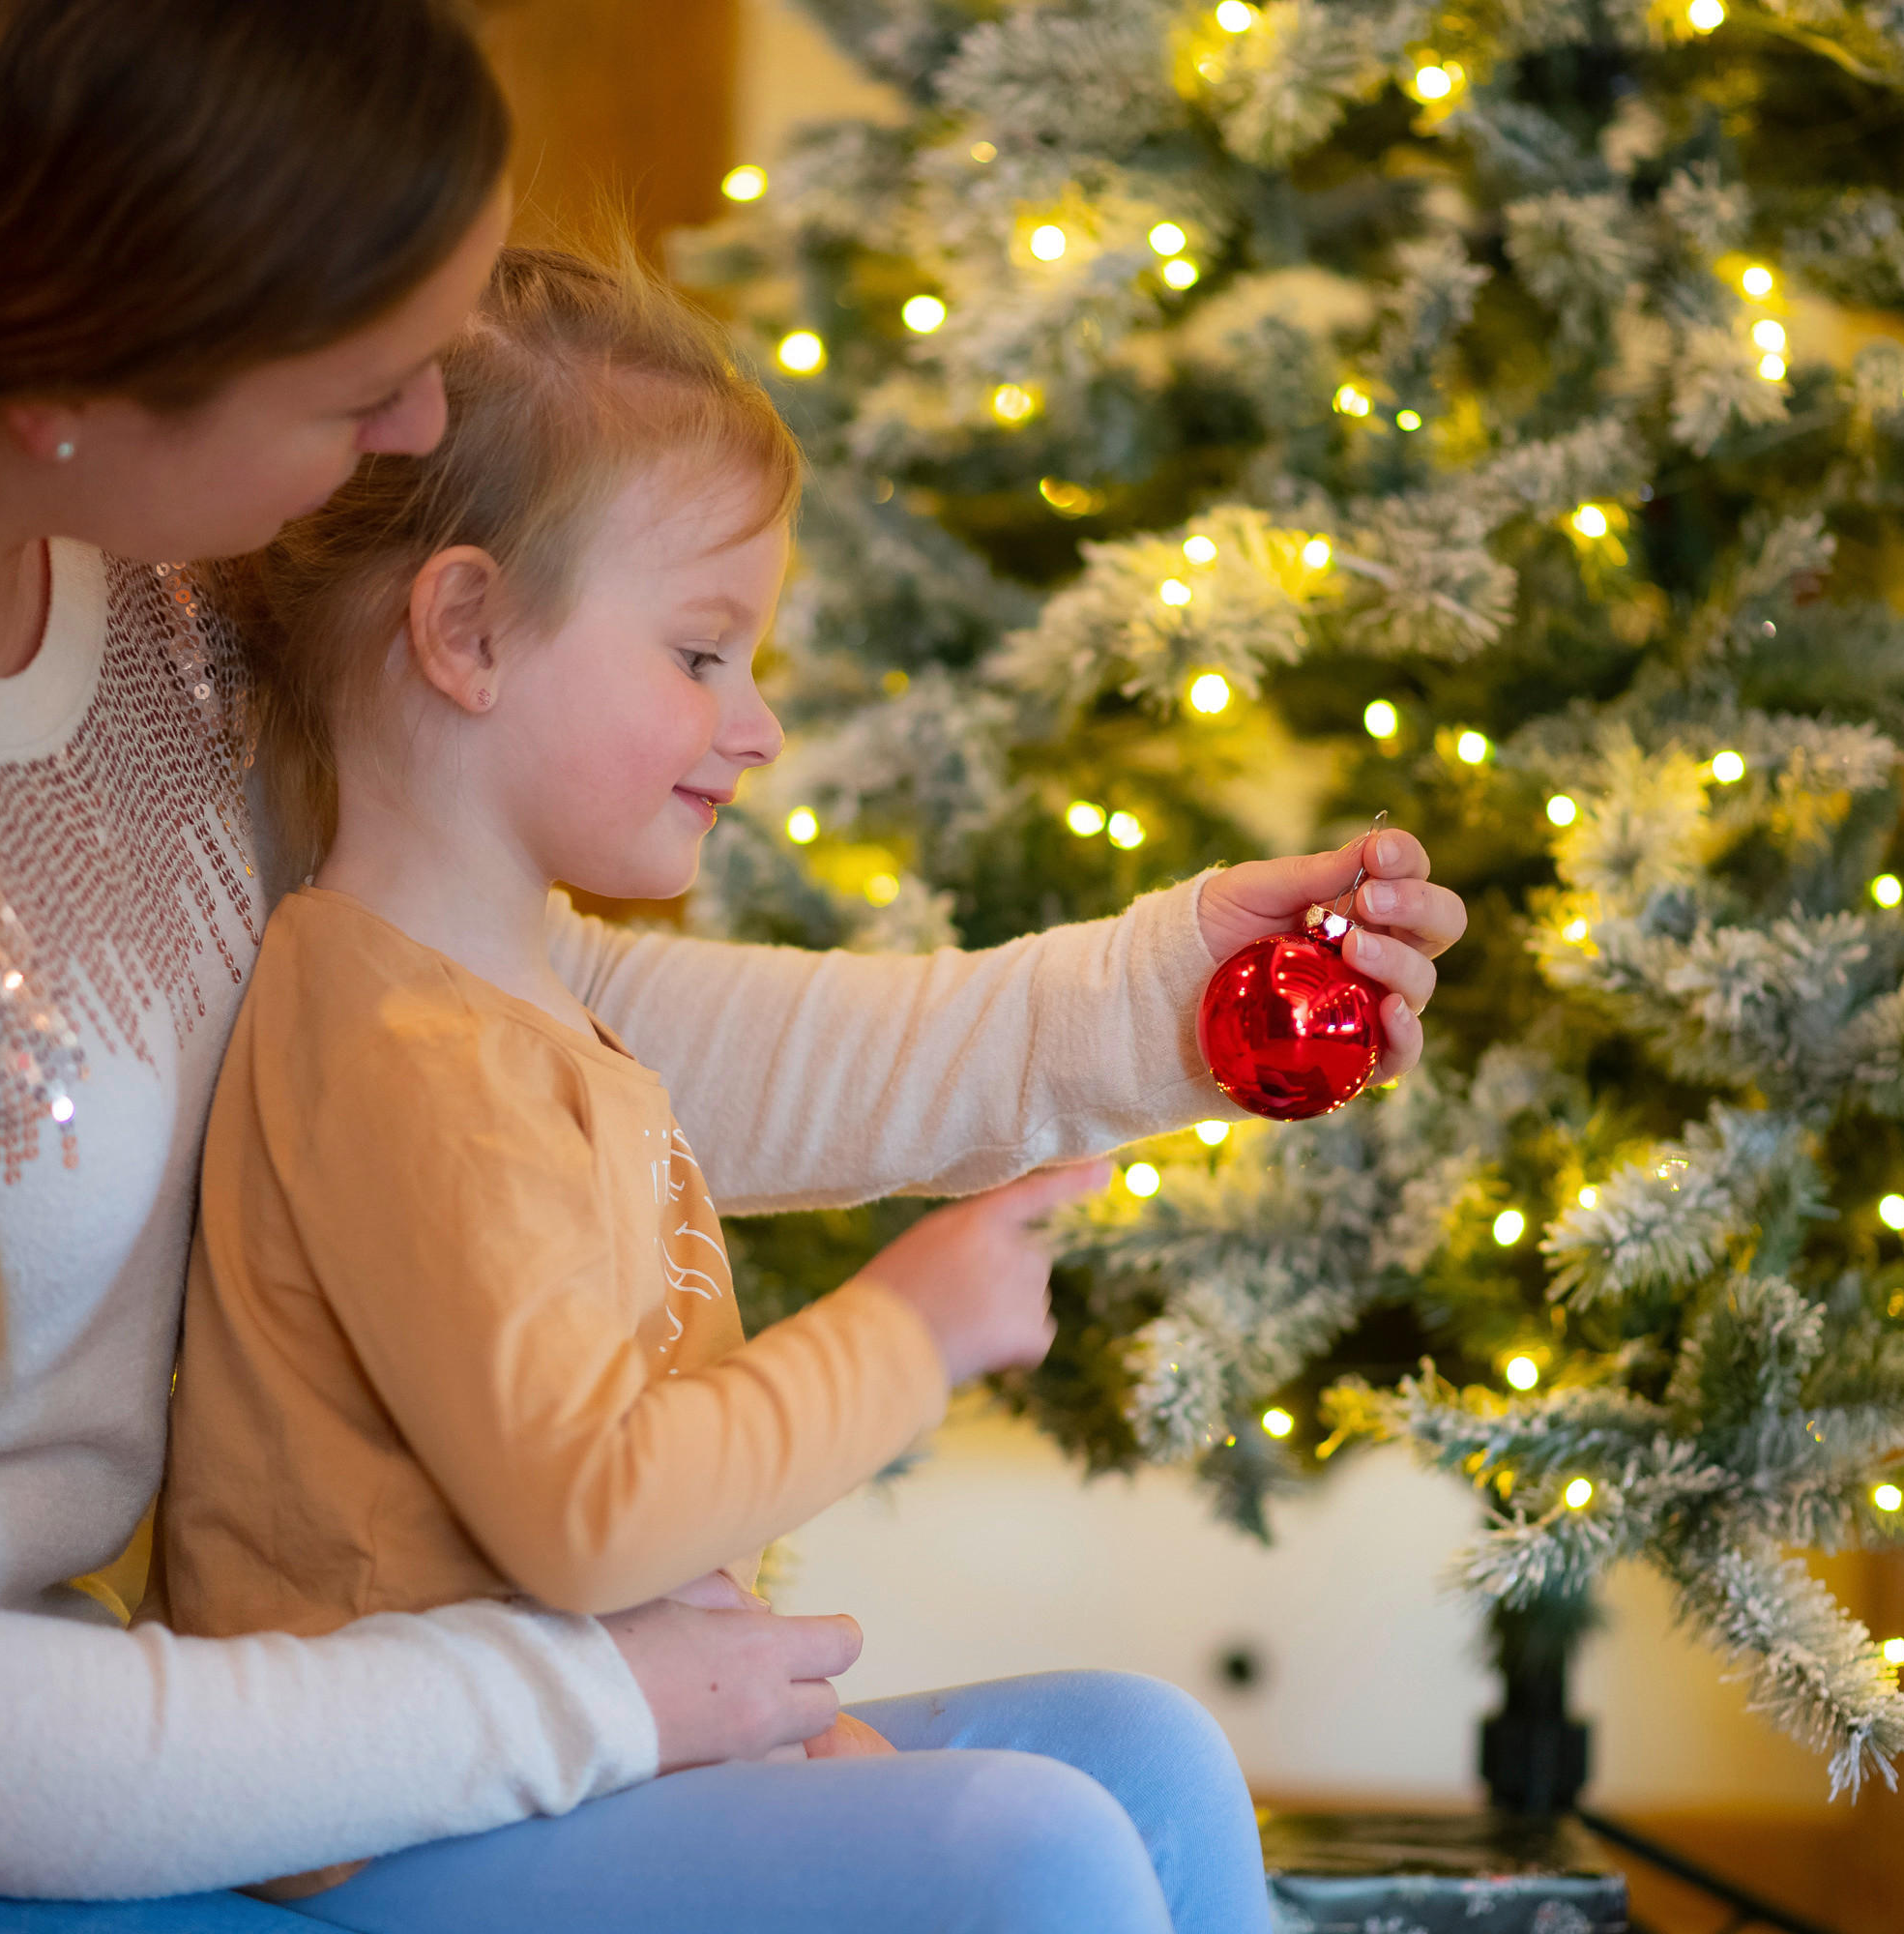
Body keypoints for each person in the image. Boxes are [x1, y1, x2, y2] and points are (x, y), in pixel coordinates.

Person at [0, 2, 1466, 1928]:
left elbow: (499, 1028)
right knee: (1019, 1867)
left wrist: (1146, 1005)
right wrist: (585, 1694)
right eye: (360, 381)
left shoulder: (135, 520)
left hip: (168, 1727)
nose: (419, 435)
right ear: (95, 356)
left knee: (1129, 1766)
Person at [154, 246, 1274, 1933]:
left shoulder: (521, 992)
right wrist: (905, 1333)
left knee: (1143, 1752)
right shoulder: (390, 1047)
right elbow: (589, 1520)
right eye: (700, 654)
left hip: (597, 1752)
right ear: (465, 631)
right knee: (1030, 1854)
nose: (753, 726)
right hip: (405, 1828)